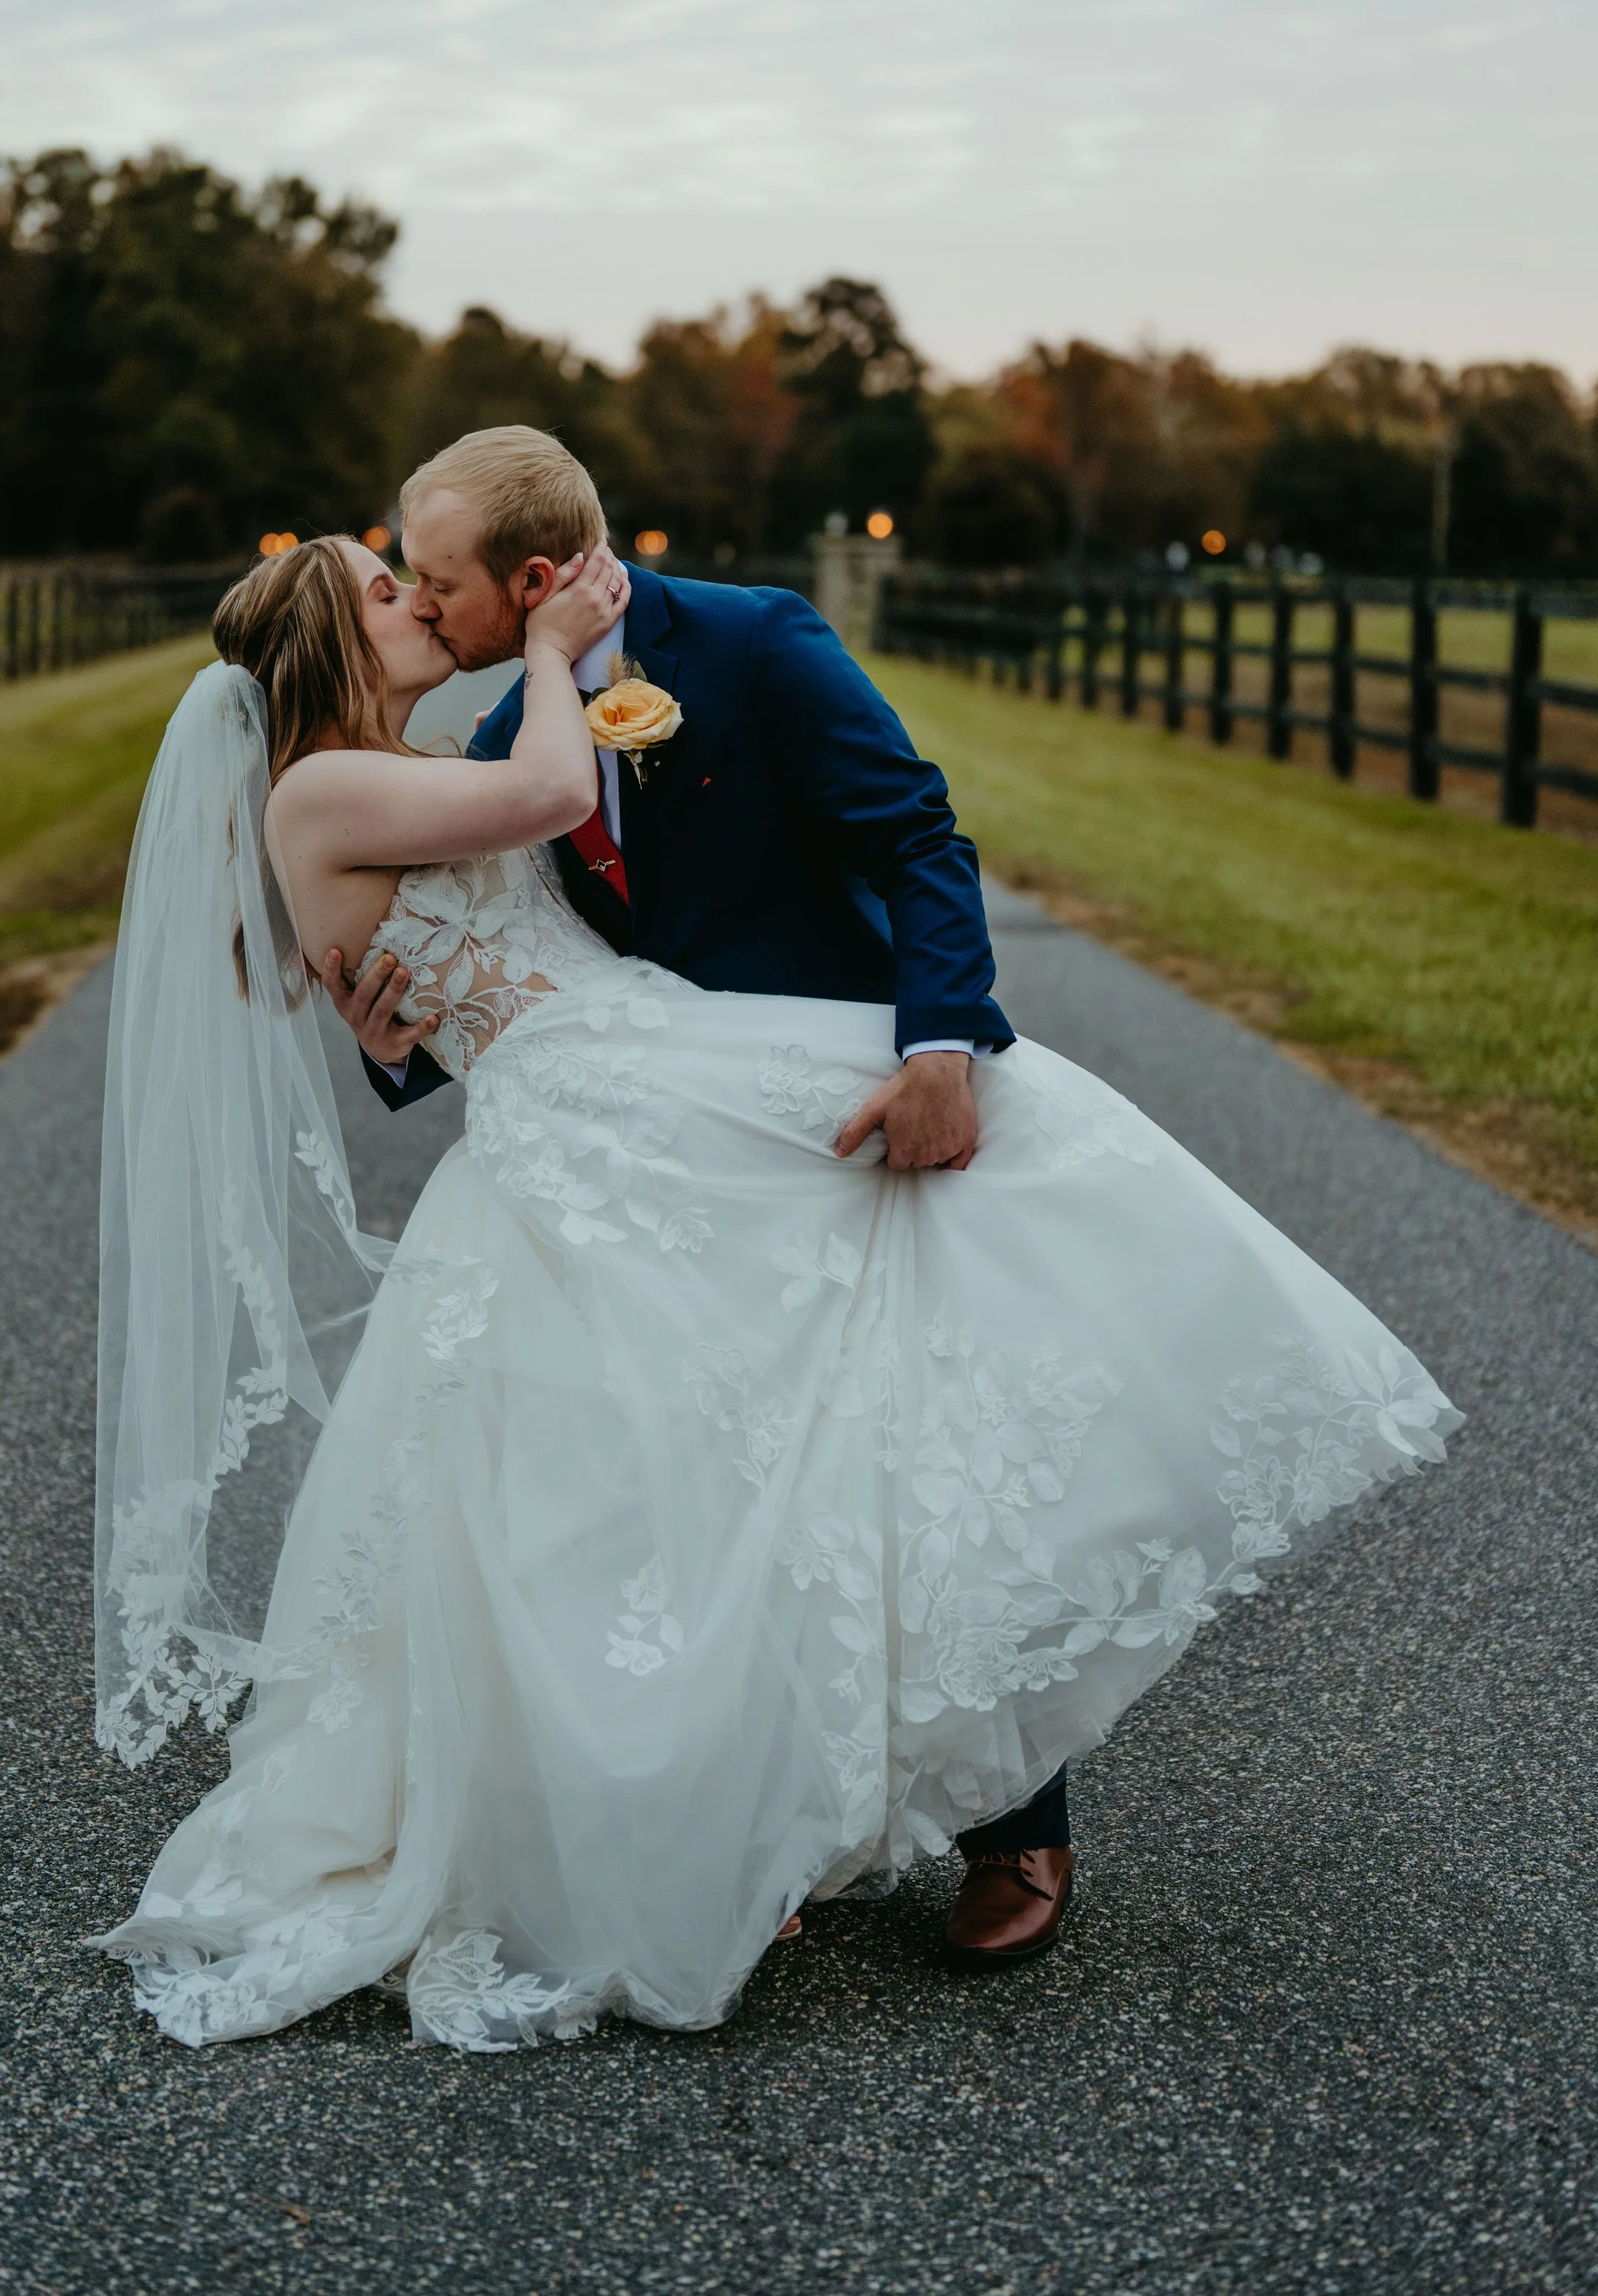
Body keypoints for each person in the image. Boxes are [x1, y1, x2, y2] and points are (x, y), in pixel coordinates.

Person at [90, 443, 1460, 2055]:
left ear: (528, 581)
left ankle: (1017, 1817)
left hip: (796, 1078)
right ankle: (736, 1808)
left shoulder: (750, 645)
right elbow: (451, 952)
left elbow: (917, 840)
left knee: (931, 1396)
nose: (423, 597)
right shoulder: (465, 727)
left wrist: (943, 1044)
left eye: (434, 575)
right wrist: (390, 1031)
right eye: (397, 582)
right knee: (661, 1484)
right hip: (617, 1123)